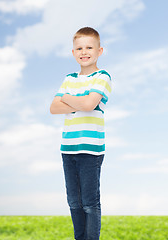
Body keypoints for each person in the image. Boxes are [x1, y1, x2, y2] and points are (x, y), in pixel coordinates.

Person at [50, 27, 111, 240]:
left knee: (89, 203)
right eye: (79, 48)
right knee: (74, 203)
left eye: (89, 47)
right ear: (73, 52)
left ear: (99, 50)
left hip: (91, 151)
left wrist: (67, 99)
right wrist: (81, 102)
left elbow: (89, 104)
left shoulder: (102, 77)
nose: (84, 52)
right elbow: (53, 107)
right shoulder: (69, 78)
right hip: (68, 149)